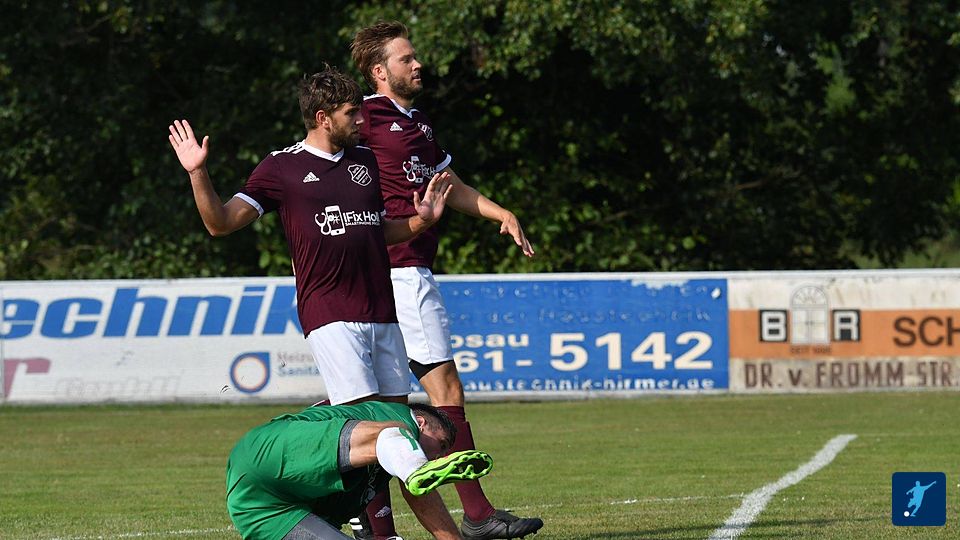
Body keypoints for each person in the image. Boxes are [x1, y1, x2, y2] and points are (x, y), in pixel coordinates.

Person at [350, 22, 542, 540]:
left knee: (385, 404)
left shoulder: (418, 123)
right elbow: (322, 159)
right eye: (406, 59)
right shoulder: (363, 116)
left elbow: (448, 184)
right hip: (400, 270)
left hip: (397, 272)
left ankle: (375, 524)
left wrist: (500, 212)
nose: (418, 65)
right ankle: (477, 515)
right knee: (443, 388)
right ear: (379, 71)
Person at [167, 66, 452, 407]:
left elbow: (377, 232)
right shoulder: (281, 167)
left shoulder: (366, 160)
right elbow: (221, 223)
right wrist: (198, 172)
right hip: (330, 314)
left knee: (396, 420)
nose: (361, 120)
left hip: (382, 310)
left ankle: (326, 430)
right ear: (323, 118)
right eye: (351, 113)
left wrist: (422, 221)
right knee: (367, 419)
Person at [226, 400, 494, 539]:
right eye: (441, 444)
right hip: (269, 448)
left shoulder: (386, 465)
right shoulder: (398, 417)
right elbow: (421, 496)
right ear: (422, 423)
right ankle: (416, 470)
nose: (439, 455)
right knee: (394, 432)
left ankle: (417, 471)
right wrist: (419, 470)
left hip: (258, 508)